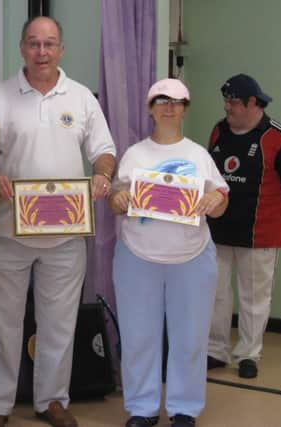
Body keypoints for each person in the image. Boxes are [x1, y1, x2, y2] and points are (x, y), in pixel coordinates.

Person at [0, 16, 116, 427]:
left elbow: (104, 149)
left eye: (50, 44)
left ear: (61, 49)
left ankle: (52, 400)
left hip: (66, 234)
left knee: (60, 323)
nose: (42, 52)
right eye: (34, 44)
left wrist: (103, 173)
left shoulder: (81, 99)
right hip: (7, 231)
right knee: (1, 323)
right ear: (22, 48)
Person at [108, 78, 229, 427]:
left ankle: (184, 409)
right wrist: (118, 198)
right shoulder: (135, 154)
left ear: (185, 109)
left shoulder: (198, 155)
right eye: (161, 100)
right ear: (150, 108)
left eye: (177, 101)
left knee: (189, 338)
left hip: (191, 258)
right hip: (137, 256)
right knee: (137, 336)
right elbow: (118, 199)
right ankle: (142, 409)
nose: (169, 106)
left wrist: (214, 200)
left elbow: (221, 201)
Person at [206, 74, 281, 379]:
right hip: (218, 230)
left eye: (233, 101)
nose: (227, 107)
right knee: (215, 294)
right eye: (225, 100)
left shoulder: (279, 137)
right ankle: (216, 350)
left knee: (254, 298)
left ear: (253, 103)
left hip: (260, 232)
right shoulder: (218, 131)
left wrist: (263, 201)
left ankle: (249, 354)